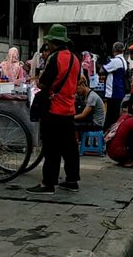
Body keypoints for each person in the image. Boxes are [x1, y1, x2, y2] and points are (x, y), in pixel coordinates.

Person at [26, 24, 81, 195]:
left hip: (54, 108)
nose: (47, 45)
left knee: (51, 148)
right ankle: (72, 180)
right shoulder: (75, 58)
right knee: (70, 147)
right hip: (69, 109)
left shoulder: (55, 58)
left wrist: (38, 80)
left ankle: (48, 183)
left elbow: (44, 83)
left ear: (53, 43)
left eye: (49, 42)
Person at [101, 42, 128, 130]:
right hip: (120, 90)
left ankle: (107, 133)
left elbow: (102, 70)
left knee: (110, 116)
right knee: (115, 115)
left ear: (114, 50)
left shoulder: (115, 61)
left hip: (113, 91)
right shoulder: (123, 61)